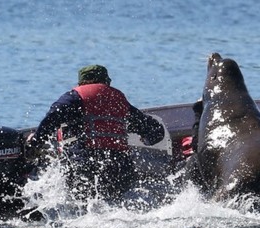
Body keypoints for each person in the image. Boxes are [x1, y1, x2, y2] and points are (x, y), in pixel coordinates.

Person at [26, 64, 165, 201]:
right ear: (107, 81)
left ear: (81, 82)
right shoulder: (119, 100)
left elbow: (50, 120)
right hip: (121, 168)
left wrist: (35, 143)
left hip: (85, 164)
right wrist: (146, 139)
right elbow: (156, 131)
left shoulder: (74, 97)